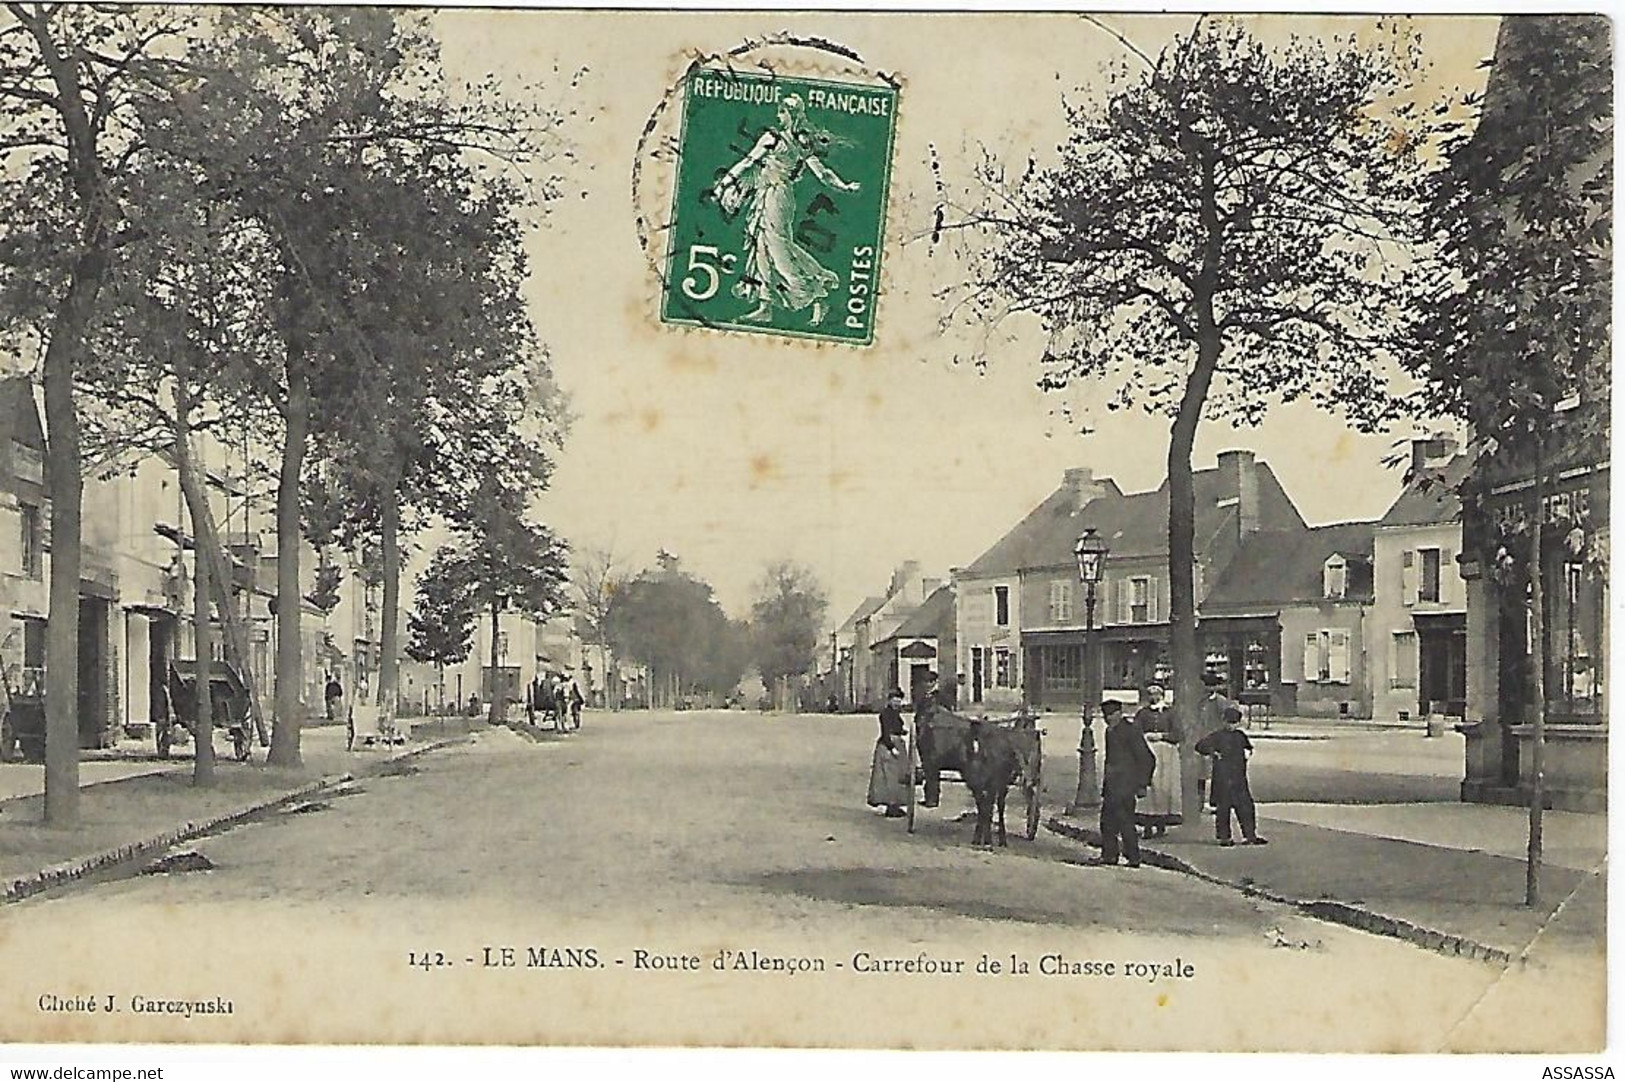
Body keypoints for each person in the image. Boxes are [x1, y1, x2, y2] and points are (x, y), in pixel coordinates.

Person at [710, 95, 861, 327]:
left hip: (777, 197)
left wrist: (724, 183)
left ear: (790, 114)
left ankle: (815, 292)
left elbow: (750, 162)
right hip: (767, 194)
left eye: (781, 112)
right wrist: (844, 186)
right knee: (763, 246)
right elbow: (821, 173)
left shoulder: (784, 141)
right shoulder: (791, 141)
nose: (778, 116)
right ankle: (766, 306)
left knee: (777, 248)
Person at [1195, 705, 1268, 847]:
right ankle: (1224, 837)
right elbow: (1200, 746)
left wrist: (1248, 752)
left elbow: (1248, 747)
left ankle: (1250, 835)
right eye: (1229, 722)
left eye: (1234, 723)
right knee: (1223, 808)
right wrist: (1213, 752)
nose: (1231, 726)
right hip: (1223, 777)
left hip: (1239, 777)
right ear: (1223, 721)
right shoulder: (1217, 736)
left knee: (1246, 806)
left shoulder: (1240, 736)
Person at [1096, 700, 1155, 867]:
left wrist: (1143, 784)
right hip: (1112, 785)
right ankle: (1110, 856)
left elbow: (1147, 758)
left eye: (1111, 716)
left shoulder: (1130, 731)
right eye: (1105, 717)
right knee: (1107, 822)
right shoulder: (1110, 731)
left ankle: (1133, 857)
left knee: (1125, 822)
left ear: (1119, 714)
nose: (1108, 720)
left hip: (1126, 785)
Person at [1134, 683, 1182, 838]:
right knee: (1149, 786)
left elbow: (1178, 734)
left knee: (1163, 786)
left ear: (1162, 695)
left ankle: (1161, 825)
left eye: (1157, 693)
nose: (1153, 697)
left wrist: (1162, 736)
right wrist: (1144, 737)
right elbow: (1135, 731)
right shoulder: (1142, 713)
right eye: (1150, 693)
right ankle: (1147, 826)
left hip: (1166, 753)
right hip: (1147, 750)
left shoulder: (1170, 713)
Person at [866, 688, 910, 818]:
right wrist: (892, 748)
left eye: (899, 700)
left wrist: (903, 732)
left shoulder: (895, 713)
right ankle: (891, 806)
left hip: (896, 744)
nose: (897, 702)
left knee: (897, 777)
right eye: (894, 699)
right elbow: (886, 732)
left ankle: (895, 805)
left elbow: (897, 728)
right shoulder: (885, 714)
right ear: (889, 700)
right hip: (887, 746)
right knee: (889, 777)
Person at [1195, 672, 1235, 812]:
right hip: (1202, 739)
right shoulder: (1201, 702)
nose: (1209, 689)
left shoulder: (1221, 702)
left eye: (1212, 686)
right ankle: (1199, 802)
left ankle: (1215, 802)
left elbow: (1229, 719)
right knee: (1200, 774)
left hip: (1216, 740)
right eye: (1207, 686)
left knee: (1216, 773)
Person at [913, 673, 942, 809]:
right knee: (928, 767)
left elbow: (946, 715)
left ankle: (933, 797)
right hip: (925, 737)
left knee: (932, 768)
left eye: (930, 682)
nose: (927, 684)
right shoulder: (923, 698)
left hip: (937, 736)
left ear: (935, 682)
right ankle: (929, 796)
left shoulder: (940, 698)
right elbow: (918, 716)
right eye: (925, 682)